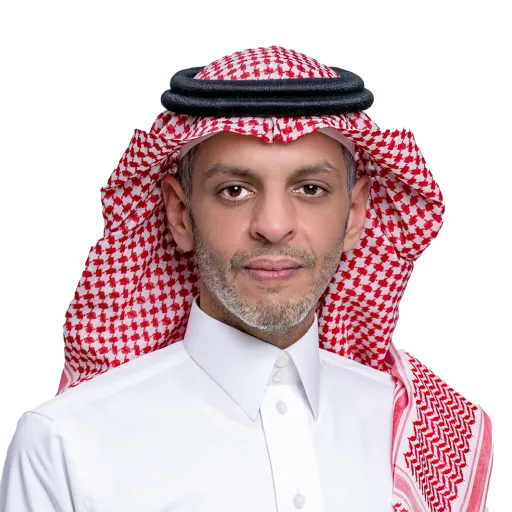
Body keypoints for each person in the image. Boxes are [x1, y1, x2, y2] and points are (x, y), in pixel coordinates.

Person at [0, 46, 494, 511]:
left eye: (310, 188)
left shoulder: (433, 433)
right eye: (234, 190)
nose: (273, 225)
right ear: (180, 214)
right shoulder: (68, 443)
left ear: (356, 213)